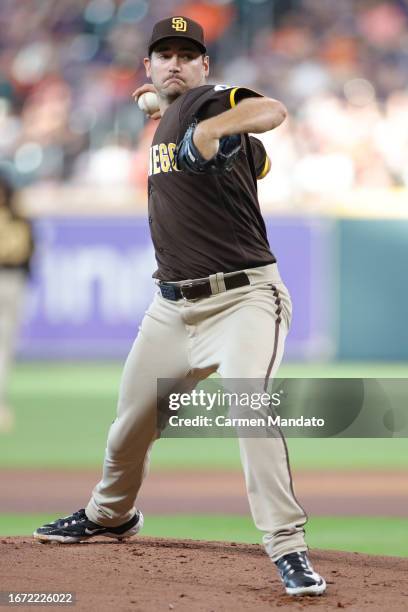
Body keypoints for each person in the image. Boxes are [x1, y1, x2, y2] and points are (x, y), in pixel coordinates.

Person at [34, 16, 326, 597]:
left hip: (244, 298)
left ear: (204, 66)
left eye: (186, 55)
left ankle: (287, 547)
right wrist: (156, 105)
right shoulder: (167, 111)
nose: (175, 63)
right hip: (170, 309)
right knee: (128, 429)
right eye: (163, 54)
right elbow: (195, 124)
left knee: (249, 408)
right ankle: (110, 514)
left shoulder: (212, 101)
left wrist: (213, 129)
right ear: (148, 65)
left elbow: (271, 112)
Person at [0, 173, 33, 433]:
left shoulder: (19, 216)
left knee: (4, 346)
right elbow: (29, 252)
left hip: (11, 281)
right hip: (12, 280)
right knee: (4, 347)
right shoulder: (19, 216)